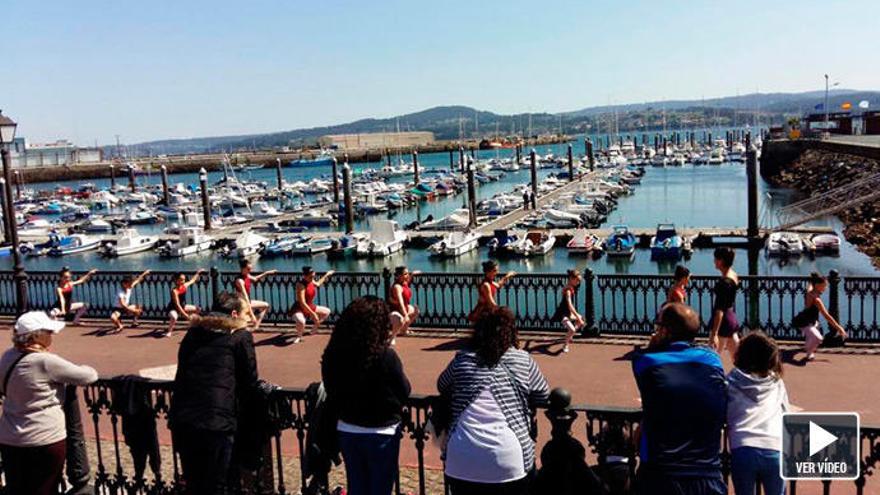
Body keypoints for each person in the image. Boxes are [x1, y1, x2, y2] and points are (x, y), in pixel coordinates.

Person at [438, 306, 550, 495]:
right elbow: (543, 394)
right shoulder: (522, 359)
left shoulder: (463, 359)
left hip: (461, 458)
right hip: (509, 458)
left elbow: (442, 385)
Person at [169, 292, 262, 495]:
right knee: (220, 483)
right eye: (247, 313)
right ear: (235, 314)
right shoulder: (240, 337)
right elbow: (250, 380)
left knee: (195, 483)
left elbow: (182, 370)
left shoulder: (192, 334)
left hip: (183, 418)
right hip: (217, 421)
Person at [632, 303, 727, 495]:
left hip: (661, 474)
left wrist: (654, 346)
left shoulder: (645, 361)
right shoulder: (713, 360)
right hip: (708, 473)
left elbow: (644, 364)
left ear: (664, 331)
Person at [0, 311, 98, 495]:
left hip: (10, 438)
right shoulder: (45, 361)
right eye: (48, 332)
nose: (51, 336)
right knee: (45, 488)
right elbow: (89, 376)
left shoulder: (7, 357)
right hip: (43, 439)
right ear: (38, 336)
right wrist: (85, 367)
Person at [321, 296, 411, 495]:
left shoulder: (333, 354)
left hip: (348, 428)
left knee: (357, 485)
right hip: (382, 431)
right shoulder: (386, 356)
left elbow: (330, 388)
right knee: (381, 487)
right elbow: (404, 390)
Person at [727, 331, 789, 495]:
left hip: (742, 446)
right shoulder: (776, 382)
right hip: (774, 446)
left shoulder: (731, 381)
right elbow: (786, 414)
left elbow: (723, 411)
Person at [793, 272, 847, 361]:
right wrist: (839, 328)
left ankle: (809, 351)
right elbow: (826, 315)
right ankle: (808, 350)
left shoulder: (810, 291)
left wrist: (812, 280)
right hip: (804, 322)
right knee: (818, 338)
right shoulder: (816, 300)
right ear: (818, 285)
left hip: (813, 321)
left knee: (815, 337)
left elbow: (810, 285)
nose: (826, 288)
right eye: (824, 285)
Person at [289, 267, 334, 344]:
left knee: (327, 312)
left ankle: (314, 329)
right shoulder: (301, 285)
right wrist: (313, 314)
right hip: (299, 308)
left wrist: (327, 275)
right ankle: (299, 337)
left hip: (309, 305)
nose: (312, 278)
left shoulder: (311, 281)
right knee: (301, 321)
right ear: (305, 276)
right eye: (311, 277)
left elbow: (318, 283)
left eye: (313, 276)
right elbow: (302, 303)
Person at [709, 247, 739, 358]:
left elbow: (719, 309)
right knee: (738, 357)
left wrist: (714, 334)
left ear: (721, 261)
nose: (714, 261)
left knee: (712, 357)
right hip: (731, 318)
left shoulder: (724, 282)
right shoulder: (734, 275)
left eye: (715, 259)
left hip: (723, 322)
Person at [234, 259, 276, 331]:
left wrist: (267, 273)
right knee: (241, 327)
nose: (250, 270)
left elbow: (255, 279)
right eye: (248, 269)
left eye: (250, 268)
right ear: (242, 269)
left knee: (266, 305)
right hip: (241, 304)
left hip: (247, 302)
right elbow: (246, 297)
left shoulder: (247, 275)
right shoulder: (239, 281)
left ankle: (255, 327)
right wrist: (252, 315)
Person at [551, 269, 585, 353]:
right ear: (571, 279)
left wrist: (578, 318)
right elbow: (570, 305)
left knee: (582, 320)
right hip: (563, 313)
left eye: (579, 281)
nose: (578, 282)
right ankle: (565, 344)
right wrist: (577, 316)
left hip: (568, 312)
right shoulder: (568, 291)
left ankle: (569, 336)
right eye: (577, 280)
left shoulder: (571, 287)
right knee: (573, 329)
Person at [165, 270, 206, 336]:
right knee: (174, 317)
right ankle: (169, 331)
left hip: (183, 306)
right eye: (181, 280)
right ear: (176, 280)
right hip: (173, 308)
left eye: (184, 280)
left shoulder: (184, 285)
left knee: (198, 309)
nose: (183, 281)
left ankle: (195, 325)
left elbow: (192, 280)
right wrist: (185, 315)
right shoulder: (174, 291)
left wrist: (198, 273)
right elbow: (177, 305)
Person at [388, 266, 421, 346]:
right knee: (400, 320)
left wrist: (413, 273)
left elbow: (409, 279)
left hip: (404, 308)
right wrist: (406, 315)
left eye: (408, 273)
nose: (407, 275)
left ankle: (404, 330)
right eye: (405, 274)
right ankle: (392, 338)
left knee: (416, 311)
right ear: (399, 276)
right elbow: (400, 302)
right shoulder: (397, 287)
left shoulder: (404, 283)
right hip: (394, 310)